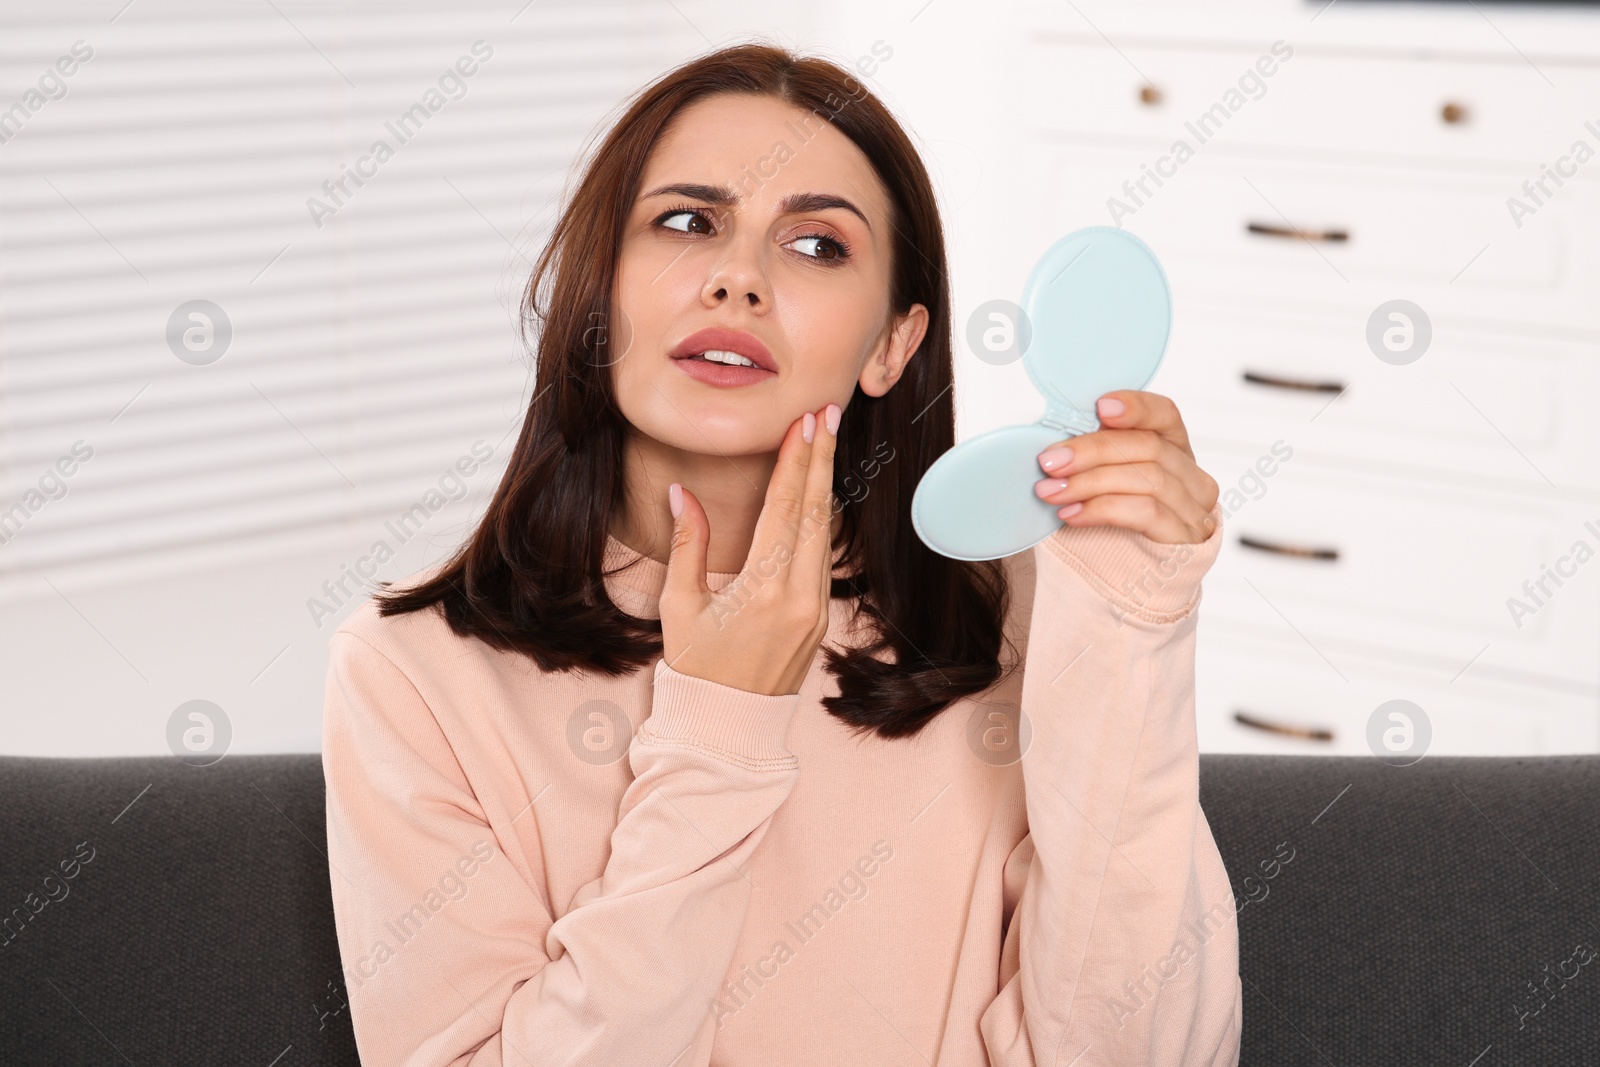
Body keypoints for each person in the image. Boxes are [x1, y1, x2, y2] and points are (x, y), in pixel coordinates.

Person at [321, 40, 1240, 1067]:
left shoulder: (1020, 617)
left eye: (815, 246)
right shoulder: (410, 670)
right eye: (686, 222)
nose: (736, 279)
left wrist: (1129, 622)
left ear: (892, 344)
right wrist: (719, 731)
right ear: (596, 294)